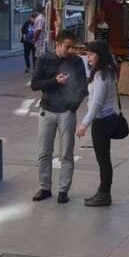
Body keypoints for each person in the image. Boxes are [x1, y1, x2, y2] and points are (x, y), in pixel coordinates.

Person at [30, 30, 88, 204]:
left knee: (66, 153)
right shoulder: (44, 59)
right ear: (58, 44)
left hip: (66, 112)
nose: (70, 50)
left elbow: (83, 87)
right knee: (44, 152)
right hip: (47, 110)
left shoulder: (76, 61)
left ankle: (63, 190)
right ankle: (45, 187)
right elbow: (35, 84)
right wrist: (55, 81)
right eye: (67, 47)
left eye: (72, 47)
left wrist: (73, 106)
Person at [76, 41, 120, 207]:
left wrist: (84, 124)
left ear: (100, 55)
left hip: (102, 121)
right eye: (87, 54)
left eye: (92, 54)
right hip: (105, 119)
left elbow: (97, 103)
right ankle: (103, 192)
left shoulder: (102, 75)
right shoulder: (104, 71)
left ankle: (104, 194)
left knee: (103, 160)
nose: (89, 57)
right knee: (103, 159)